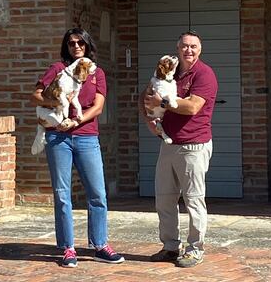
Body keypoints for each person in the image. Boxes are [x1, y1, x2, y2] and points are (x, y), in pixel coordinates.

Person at [33, 29, 124, 268]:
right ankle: (68, 248)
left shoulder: (96, 72)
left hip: (86, 137)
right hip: (57, 138)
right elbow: (36, 96)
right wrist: (58, 101)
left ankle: (100, 245)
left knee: (98, 193)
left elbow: (98, 106)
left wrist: (76, 121)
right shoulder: (57, 69)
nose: (76, 46)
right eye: (71, 43)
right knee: (62, 194)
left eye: (80, 42)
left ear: (87, 44)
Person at [141, 31, 218, 268]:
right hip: (169, 144)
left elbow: (193, 107)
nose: (189, 51)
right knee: (164, 199)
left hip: (194, 145)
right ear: (178, 49)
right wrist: (150, 121)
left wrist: (161, 104)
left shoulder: (204, 74)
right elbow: (146, 97)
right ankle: (170, 247)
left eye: (193, 46)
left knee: (194, 200)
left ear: (200, 49)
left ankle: (195, 249)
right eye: (184, 46)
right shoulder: (169, 73)